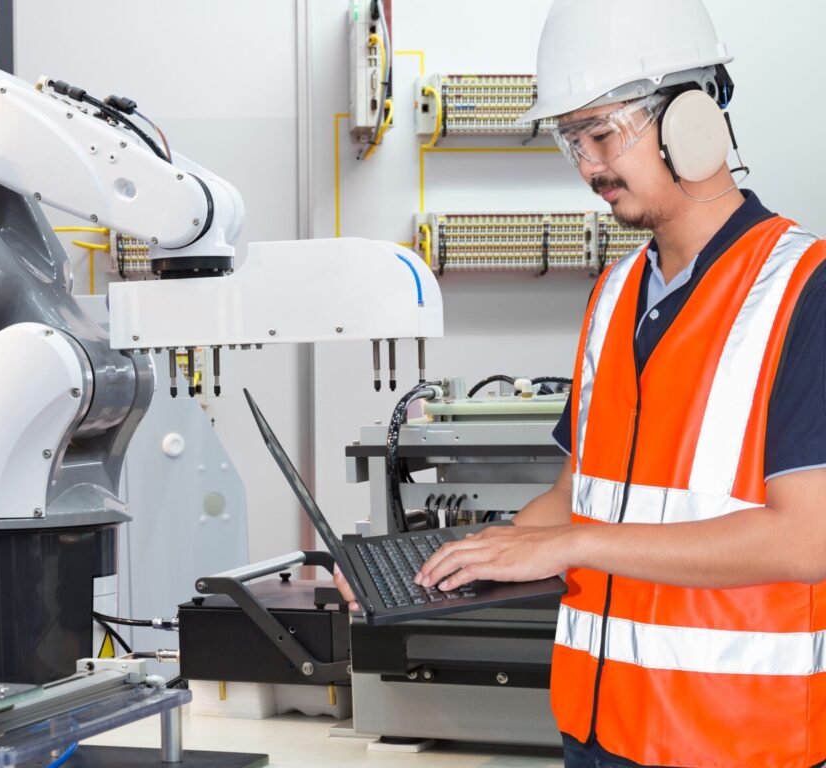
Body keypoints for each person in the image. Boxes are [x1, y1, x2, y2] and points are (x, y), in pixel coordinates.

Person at [335, 1, 826, 765]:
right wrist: (435, 562)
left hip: (731, 740)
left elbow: (807, 538)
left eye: (601, 133)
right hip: (599, 729)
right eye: (572, 141)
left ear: (691, 117)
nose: (589, 167)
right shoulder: (615, 295)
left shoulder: (804, 289)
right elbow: (576, 495)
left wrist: (571, 543)